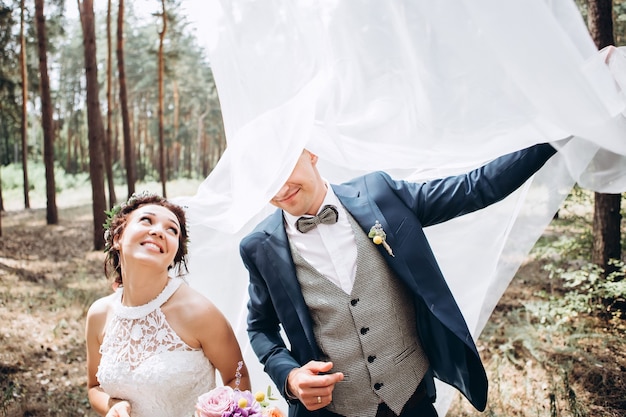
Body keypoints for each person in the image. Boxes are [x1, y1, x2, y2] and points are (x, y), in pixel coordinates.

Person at [239, 142, 561, 417]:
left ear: (310, 153)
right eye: (266, 182)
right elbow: (260, 328)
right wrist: (291, 377)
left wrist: (555, 136)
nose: (281, 189)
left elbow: (473, 188)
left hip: (412, 400)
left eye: (284, 169)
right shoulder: (260, 247)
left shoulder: (379, 194)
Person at [85, 192, 250, 417]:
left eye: (171, 230)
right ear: (118, 237)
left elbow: (238, 376)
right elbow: (94, 387)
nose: (159, 231)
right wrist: (110, 405)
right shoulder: (99, 314)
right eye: (146, 220)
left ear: (174, 254)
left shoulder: (199, 313)